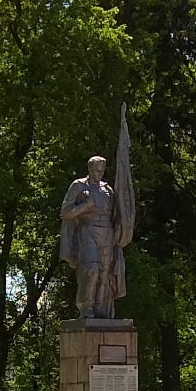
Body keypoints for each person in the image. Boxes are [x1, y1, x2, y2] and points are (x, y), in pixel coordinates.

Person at [59, 108, 136, 320]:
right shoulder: (79, 186)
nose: (99, 173)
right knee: (90, 270)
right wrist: (85, 207)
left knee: (104, 273)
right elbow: (65, 213)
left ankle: (102, 311)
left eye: (102, 170)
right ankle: (87, 308)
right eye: (96, 170)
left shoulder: (108, 189)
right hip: (87, 231)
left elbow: (116, 212)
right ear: (90, 168)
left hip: (107, 233)